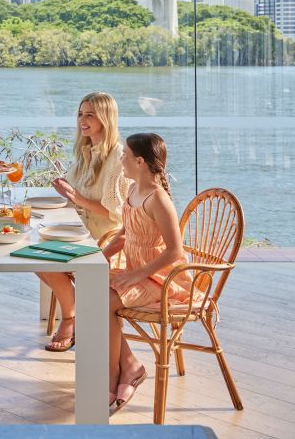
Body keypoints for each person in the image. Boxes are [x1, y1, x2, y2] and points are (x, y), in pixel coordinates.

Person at [105, 133, 195, 414]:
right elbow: (124, 234)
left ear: (140, 162)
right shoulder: (132, 191)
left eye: (125, 156)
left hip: (164, 279)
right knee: (88, 287)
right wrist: (100, 256)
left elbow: (174, 251)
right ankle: (130, 365)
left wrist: (136, 275)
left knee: (104, 301)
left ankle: (111, 375)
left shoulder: (158, 200)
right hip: (138, 273)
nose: (121, 161)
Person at [38, 91, 128, 352]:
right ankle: (79, 310)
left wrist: (75, 196)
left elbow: (116, 214)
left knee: (45, 259)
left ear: (105, 118)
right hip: (79, 233)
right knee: (32, 255)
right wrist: (65, 190)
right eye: (80, 114)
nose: (82, 120)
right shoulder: (85, 151)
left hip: (105, 242)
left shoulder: (117, 158)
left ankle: (70, 319)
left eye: (90, 115)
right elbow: (74, 198)